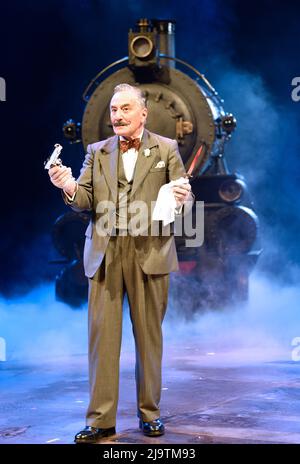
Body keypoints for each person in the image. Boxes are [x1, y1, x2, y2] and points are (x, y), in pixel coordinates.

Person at [48, 83, 194, 443]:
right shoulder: (97, 152)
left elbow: (183, 200)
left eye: (125, 109)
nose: (118, 116)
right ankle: (100, 419)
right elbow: (83, 199)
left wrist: (183, 196)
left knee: (149, 340)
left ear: (143, 113)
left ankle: (150, 414)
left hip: (151, 252)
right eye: (114, 110)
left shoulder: (166, 148)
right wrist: (66, 185)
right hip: (106, 254)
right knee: (102, 342)